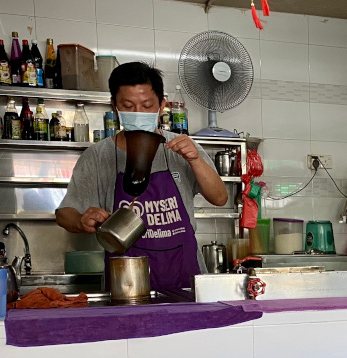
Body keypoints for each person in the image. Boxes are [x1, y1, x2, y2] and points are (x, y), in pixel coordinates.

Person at [56, 62, 228, 294]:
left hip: (186, 281)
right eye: (128, 106)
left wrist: (196, 160)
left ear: (162, 105)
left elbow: (219, 198)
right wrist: (81, 221)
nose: (138, 114)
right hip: (125, 285)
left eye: (147, 106)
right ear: (114, 107)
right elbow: (64, 213)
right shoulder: (97, 156)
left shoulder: (184, 148)